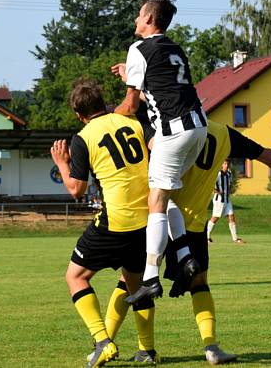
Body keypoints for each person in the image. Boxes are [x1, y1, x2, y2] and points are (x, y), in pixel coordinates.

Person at [99, 119, 271, 365]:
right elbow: (265, 154)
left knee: (131, 280)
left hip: (160, 217)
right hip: (194, 225)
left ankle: (111, 344)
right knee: (200, 284)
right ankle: (211, 348)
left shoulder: (174, 129)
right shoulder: (224, 133)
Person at [50, 79, 157, 367]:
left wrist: (61, 163)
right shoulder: (130, 121)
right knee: (136, 285)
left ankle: (102, 342)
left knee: (75, 277)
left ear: (78, 113)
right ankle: (147, 350)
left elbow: (76, 190)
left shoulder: (83, 137)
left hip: (115, 221)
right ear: (102, 102)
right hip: (147, 219)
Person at [111, 0, 208, 304]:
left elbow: (130, 104)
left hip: (174, 128)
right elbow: (159, 87)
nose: (136, 20)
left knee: (155, 199)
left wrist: (105, 120)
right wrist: (130, 75)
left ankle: (151, 276)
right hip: (199, 126)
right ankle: (184, 255)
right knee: (165, 197)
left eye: (140, 15)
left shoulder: (138, 48)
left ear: (150, 19)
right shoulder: (173, 48)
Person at [206, 160, 243, 244]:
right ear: (221, 165)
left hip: (227, 199)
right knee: (215, 217)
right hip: (219, 199)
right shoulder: (218, 174)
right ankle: (206, 236)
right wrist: (218, 192)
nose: (226, 165)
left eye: (227, 164)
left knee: (231, 216)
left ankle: (235, 238)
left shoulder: (229, 174)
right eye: (225, 164)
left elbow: (229, 184)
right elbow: (210, 184)